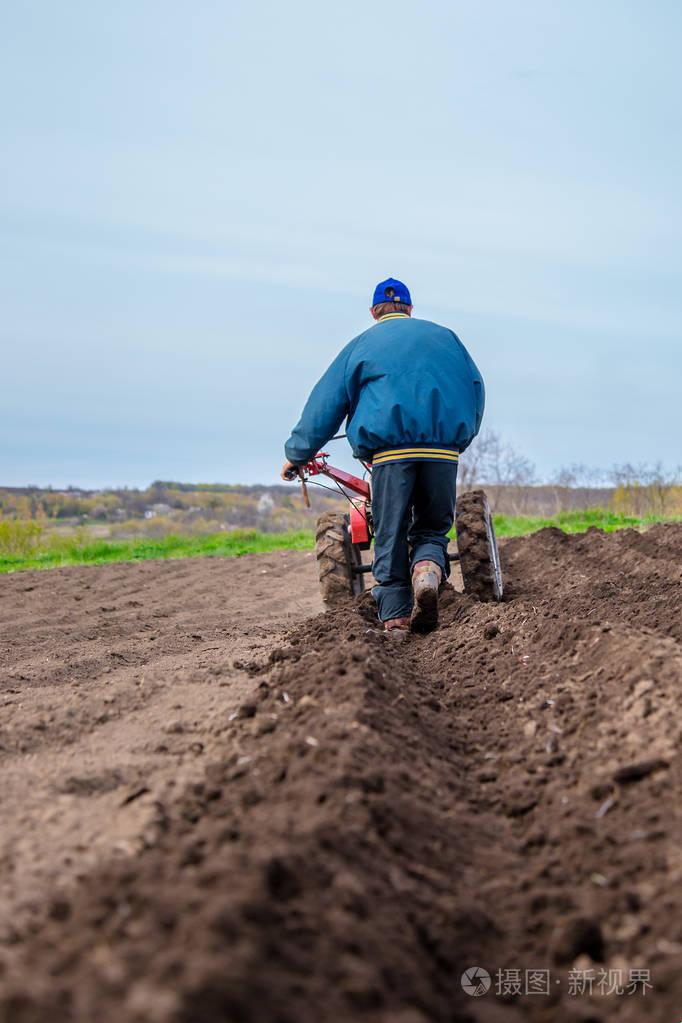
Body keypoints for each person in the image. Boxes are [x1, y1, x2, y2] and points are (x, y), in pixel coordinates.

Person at [281, 278, 484, 633]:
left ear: (374, 312)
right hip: (442, 451)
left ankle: (396, 617)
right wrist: (458, 439)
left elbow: (325, 405)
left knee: (389, 532)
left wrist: (297, 453)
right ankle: (426, 569)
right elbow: (475, 389)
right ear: (409, 309)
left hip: (390, 455)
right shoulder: (447, 339)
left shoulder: (361, 346)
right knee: (433, 528)